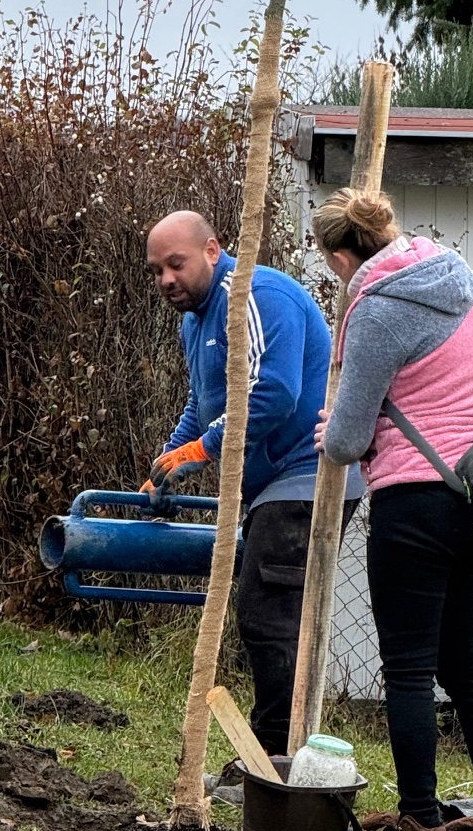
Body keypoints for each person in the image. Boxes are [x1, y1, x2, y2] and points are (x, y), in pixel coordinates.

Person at [313, 187, 473, 831]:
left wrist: (335, 435)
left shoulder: (377, 308)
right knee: (469, 670)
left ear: (343, 255)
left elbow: (346, 437)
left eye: (332, 269)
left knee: (408, 671)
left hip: (416, 502)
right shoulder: (455, 277)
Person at [144, 210, 362, 758]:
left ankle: (276, 759)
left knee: (269, 614)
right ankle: (274, 756)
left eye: (177, 264)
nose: (167, 280)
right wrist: (173, 458)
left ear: (213, 251)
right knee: (267, 613)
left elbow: (275, 392)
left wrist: (204, 450)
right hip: (271, 485)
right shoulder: (194, 321)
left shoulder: (258, 297)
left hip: (309, 474)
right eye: (156, 271)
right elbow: (204, 403)